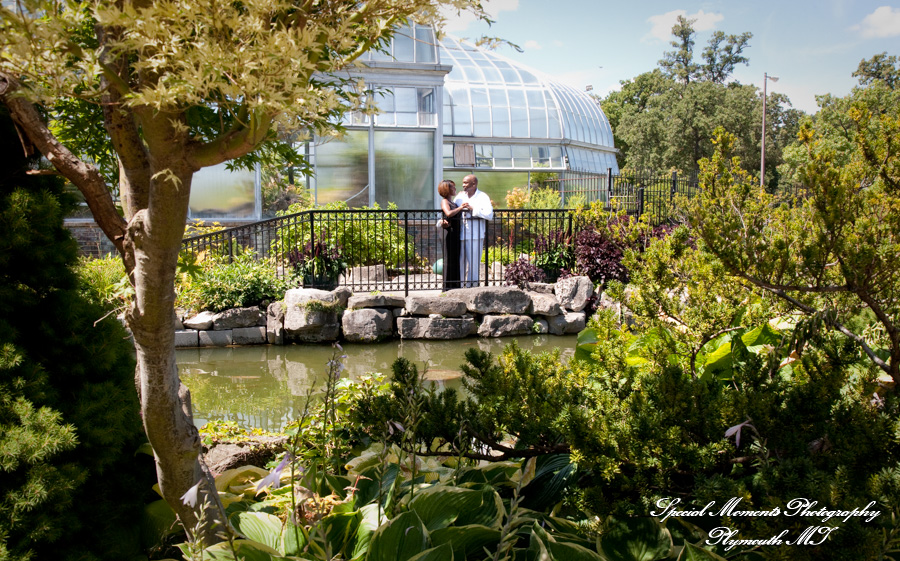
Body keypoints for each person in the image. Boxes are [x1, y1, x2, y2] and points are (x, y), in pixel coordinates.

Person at [453, 174, 494, 287]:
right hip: (461, 233)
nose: (463, 185)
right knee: (460, 261)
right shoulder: (460, 197)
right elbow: (453, 209)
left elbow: (489, 214)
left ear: (474, 184)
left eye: (466, 183)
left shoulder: (482, 197)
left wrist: (472, 209)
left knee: (474, 262)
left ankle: (472, 286)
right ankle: (459, 285)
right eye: (463, 182)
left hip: (475, 234)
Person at [437, 179, 469, 290]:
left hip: (455, 233)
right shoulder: (445, 201)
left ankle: (455, 286)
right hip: (448, 233)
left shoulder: (453, 202)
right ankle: (447, 287)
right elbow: (448, 214)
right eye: (453, 187)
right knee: (449, 259)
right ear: (447, 189)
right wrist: (461, 208)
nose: (455, 189)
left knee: (455, 259)